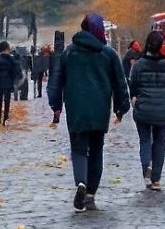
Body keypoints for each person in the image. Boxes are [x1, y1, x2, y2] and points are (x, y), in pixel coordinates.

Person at [47, 13, 130, 212]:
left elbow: (56, 80)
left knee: (78, 149)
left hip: (76, 108)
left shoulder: (69, 52)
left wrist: (56, 105)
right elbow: (119, 82)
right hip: (100, 108)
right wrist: (121, 107)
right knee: (96, 150)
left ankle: (81, 182)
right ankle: (91, 194)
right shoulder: (109, 54)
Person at [128, 31, 165, 191]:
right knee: (160, 142)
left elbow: (133, 86)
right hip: (163, 108)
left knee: (144, 139)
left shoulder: (139, 64)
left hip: (144, 106)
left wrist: (134, 97)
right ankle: (156, 178)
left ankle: (146, 166)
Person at [0, 41, 20, 125]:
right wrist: (12, 80)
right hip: (7, 81)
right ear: (6, 49)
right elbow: (14, 71)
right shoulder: (10, 58)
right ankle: (5, 119)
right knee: (7, 101)